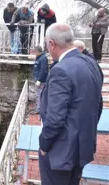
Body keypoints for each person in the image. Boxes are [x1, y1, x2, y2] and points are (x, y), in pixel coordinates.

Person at [39, 23, 103, 185]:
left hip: (60, 153)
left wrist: (44, 145)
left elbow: (55, 118)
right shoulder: (91, 63)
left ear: (52, 43)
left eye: (47, 45)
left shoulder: (60, 70)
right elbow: (98, 105)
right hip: (82, 149)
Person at [32, 46, 48, 114]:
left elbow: (43, 70)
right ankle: (38, 108)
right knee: (38, 94)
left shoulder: (43, 58)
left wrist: (39, 79)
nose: (34, 53)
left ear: (38, 51)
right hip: (38, 79)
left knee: (39, 94)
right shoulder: (39, 58)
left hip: (41, 81)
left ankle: (39, 109)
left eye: (35, 52)